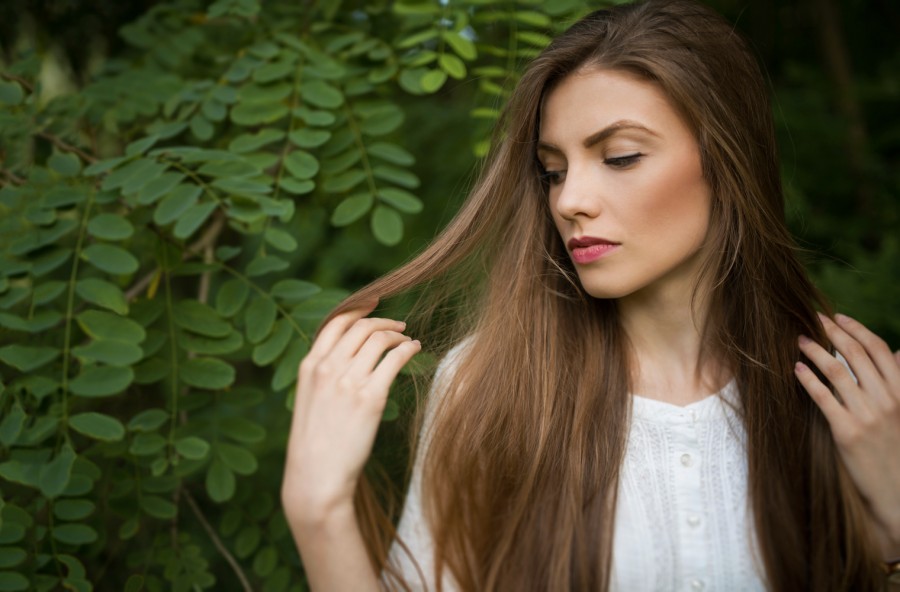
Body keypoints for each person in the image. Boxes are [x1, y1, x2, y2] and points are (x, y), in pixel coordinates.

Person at [280, 0, 900, 590]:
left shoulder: (849, 399)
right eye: (553, 170)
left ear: (727, 160)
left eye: (620, 157)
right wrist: (319, 510)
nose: (570, 199)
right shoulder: (490, 386)